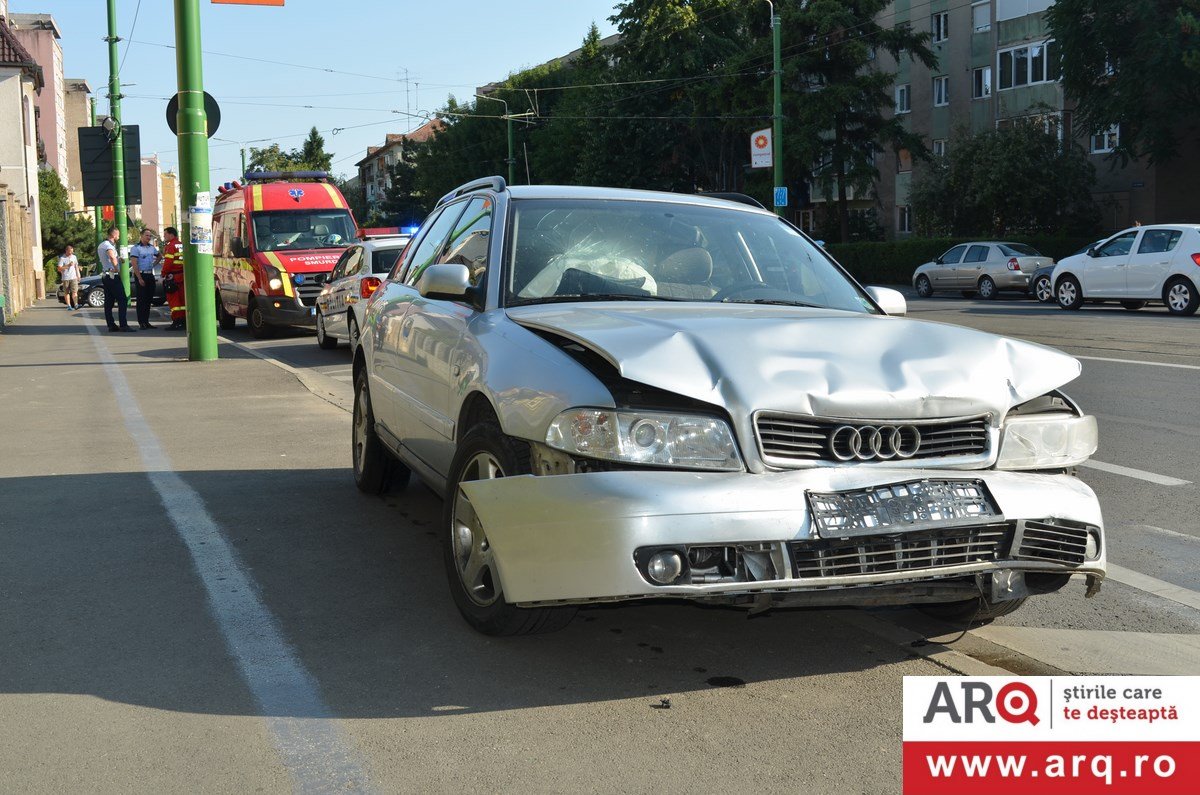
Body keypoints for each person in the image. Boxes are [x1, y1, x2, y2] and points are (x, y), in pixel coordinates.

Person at [98, 227, 134, 332]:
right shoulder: (108, 246)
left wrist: (118, 259)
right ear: (113, 235)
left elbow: (110, 257)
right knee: (122, 299)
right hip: (112, 275)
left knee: (109, 302)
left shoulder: (102, 245)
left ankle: (111, 325)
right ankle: (123, 325)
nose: (119, 237)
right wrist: (117, 268)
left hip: (106, 275)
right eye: (118, 235)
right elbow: (111, 256)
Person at [129, 229, 160, 329]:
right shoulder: (136, 248)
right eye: (147, 235)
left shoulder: (152, 248)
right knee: (141, 300)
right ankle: (141, 322)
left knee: (148, 299)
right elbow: (134, 264)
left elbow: (159, 256)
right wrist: (139, 278)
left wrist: (154, 265)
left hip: (150, 274)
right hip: (141, 275)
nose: (149, 237)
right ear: (141, 236)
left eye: (150, 236)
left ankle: (146, 321)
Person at [161, 226, 186, 329]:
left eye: (165, 234)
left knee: (174, 301)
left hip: (173, 278)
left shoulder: (171, 246)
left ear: (171, 234)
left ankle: (176, 321)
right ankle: (184, 321)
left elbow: (168, 263)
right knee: (183, 300)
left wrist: (163, 273)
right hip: (182, 276)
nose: (164, 236)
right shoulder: (181, 245)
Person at [57, 244, 81, 310]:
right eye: (70, 251)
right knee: (66, 292)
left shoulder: (74, 257)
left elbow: (76, 266)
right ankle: (69, 306)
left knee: (75, 291)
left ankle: (76, 304)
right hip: (65, 278)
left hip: (73, 277)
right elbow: (59, 269)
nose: (71, 253)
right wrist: (68, 265)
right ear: (66, 251)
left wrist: (78, 275)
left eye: (72, 251)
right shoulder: (62, 258)